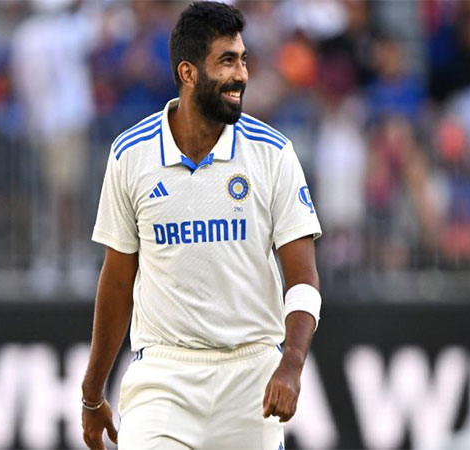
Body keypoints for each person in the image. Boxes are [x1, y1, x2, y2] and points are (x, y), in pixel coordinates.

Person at [82, 2, 322, 449]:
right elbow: (116, 281)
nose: (241, 75)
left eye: (243, 60)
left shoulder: (273, 154)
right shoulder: (131, 155)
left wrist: (291, 364)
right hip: (164, 376)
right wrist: (92, 394)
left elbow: (304, 280)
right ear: (188, 73)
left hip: (251, 376)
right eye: (226, 61)